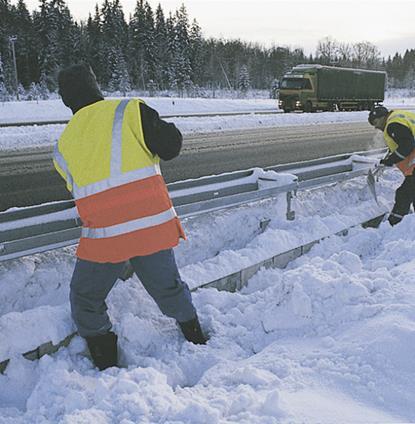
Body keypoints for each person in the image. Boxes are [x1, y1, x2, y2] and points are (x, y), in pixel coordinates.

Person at [54, 63, 207, 371]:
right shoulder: (130, 111)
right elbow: (171, 146)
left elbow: (78, 189)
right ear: (96, 86)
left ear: (65, 99)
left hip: (105, 239)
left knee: (85, 299)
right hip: (150, 229)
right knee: (168, 289)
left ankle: (107, 366)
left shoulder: (62, 145)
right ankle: (197, 340)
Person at [368, 105, 415, 226]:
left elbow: (407, 145)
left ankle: (393, 225)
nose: (376, 127)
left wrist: (390, 161)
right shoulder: (400, 116)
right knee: (411, 190)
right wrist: (388, 158)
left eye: (375, 122)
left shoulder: (392, 125)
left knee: (404, 193)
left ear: (382, 116)